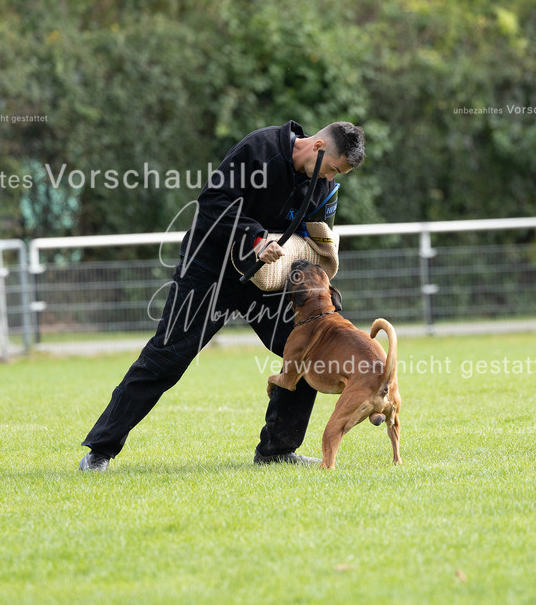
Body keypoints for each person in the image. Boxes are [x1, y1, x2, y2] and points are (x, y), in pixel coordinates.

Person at [79, 120, 366, 470]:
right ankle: (99, 451)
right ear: (318, 146)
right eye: (332, 169)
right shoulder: (260, 150)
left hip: (264, 280)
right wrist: (257, 238)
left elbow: (314, 232)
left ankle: (277, 451)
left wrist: (322, 252)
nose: (330, 180)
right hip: (209, 271)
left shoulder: (321, 185)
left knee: (310, 346)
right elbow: (213, 201)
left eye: (338, 175)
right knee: (166, 357)